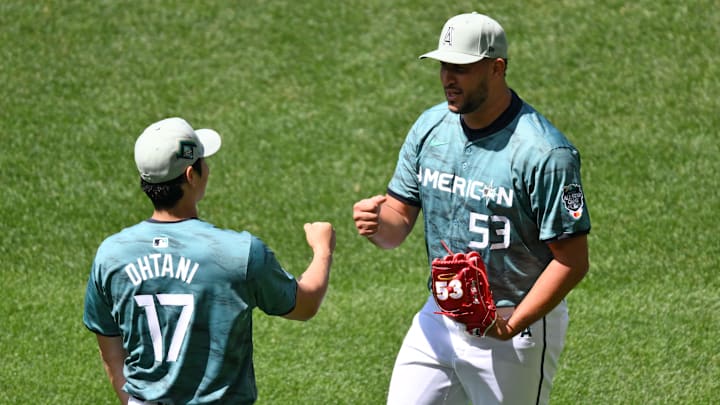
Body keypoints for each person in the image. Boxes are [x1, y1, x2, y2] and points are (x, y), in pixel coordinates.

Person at [352, 12, 591, 405]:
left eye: (461, 67)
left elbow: (572, 261)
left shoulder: (544, 153)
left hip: (514, 324)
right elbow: (397, 225)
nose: (448, 77)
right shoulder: (430, 128)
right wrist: (377, 224)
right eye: (445, 65)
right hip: (441, 314)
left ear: (497, 68)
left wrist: (510, 324)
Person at [83, 117, 336, 404]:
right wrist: (322, 249)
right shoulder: (238, 252)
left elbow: (110, 348)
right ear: (192, 175)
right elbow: (304, 305)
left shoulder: (111, 255)